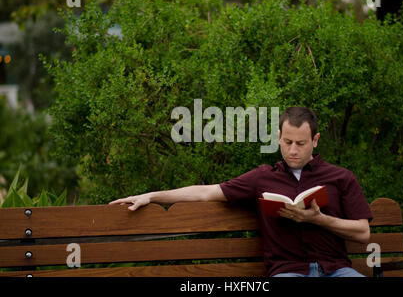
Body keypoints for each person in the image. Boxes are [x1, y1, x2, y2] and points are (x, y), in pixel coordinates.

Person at [109, 106, 373, 277]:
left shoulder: (340, 177)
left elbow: (363, 232)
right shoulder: (262, 178)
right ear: (278, 137)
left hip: (337, 270)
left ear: (315, 141)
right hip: (288, 272)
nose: (293, 150)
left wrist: (319, 219)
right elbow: (205, 193)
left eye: (301, 144)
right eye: (287, 142)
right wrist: (152, 196)